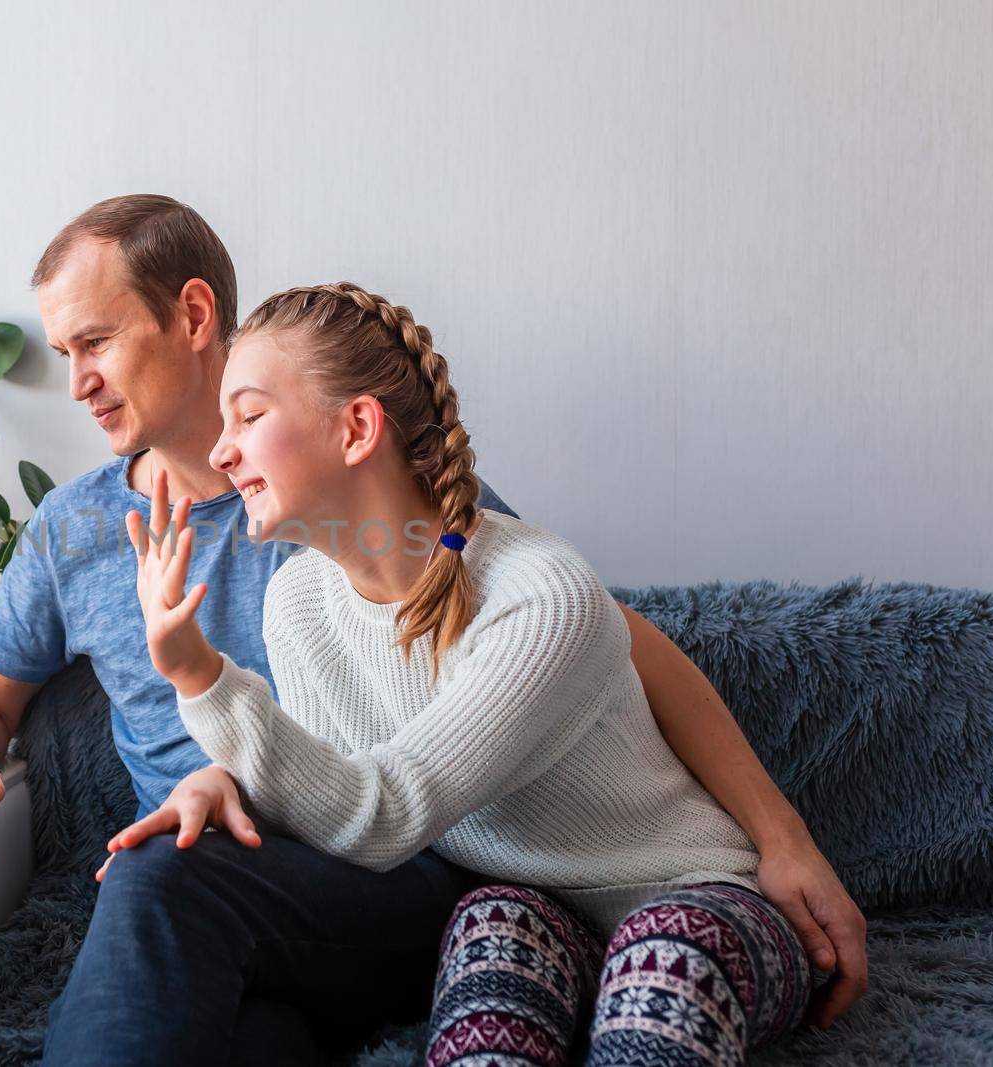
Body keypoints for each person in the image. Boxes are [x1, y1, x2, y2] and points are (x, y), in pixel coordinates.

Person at [0, 195, 865, 1064]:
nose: (77, 383)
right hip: (237, 883)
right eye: (62, 354)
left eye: (93, 342)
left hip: (398, 870)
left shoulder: (372, 502)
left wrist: (784, 840)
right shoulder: (93, 532)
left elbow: (600, 636)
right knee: (228, 1006)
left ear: (191, 314)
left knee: (162, 880)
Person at [109, 281, 857, 1065]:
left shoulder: (541, 592)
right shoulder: (296, 599)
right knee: (488, 951)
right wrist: (224, 779)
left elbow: (387, 809)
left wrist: (198, 674)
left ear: (358, 426)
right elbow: (329, 795)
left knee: (662, 958)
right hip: (532, 907)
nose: (220, 451)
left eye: (249, 416)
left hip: (690, 893)